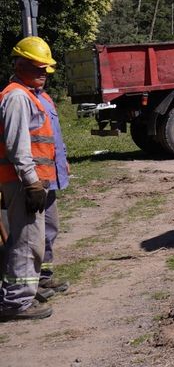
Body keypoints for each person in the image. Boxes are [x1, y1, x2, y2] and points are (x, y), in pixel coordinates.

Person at [0, 36, 66, 321]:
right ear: (20, 63)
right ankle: (15, 303)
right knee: (26, 242)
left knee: (35, 239)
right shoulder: (16, 96)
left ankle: (25, 292)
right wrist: (31, 182)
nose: (43, 73)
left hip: (36, 182)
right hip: (24, 182)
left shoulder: (30, 94)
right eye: (38, 67)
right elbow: (18, 146)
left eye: (46, 69)